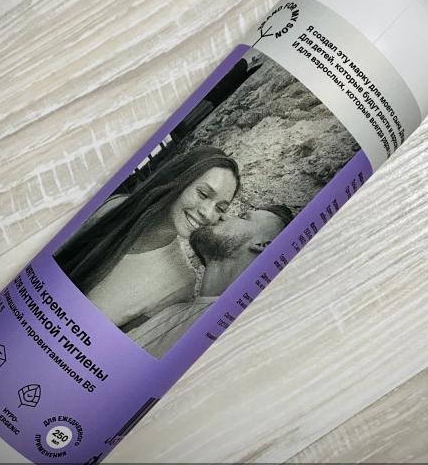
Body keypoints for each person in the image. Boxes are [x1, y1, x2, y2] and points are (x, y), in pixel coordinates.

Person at [54, 146, 240, 332]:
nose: (208, 213)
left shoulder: (181, 283)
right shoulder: (113, 208)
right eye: (203, 194)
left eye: (220, 208)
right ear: (179, 179)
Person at [127, 204, 294, 356]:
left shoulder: (238, 335)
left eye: (243, 217)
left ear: (263, 246)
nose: (223, 216)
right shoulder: (171, 310)